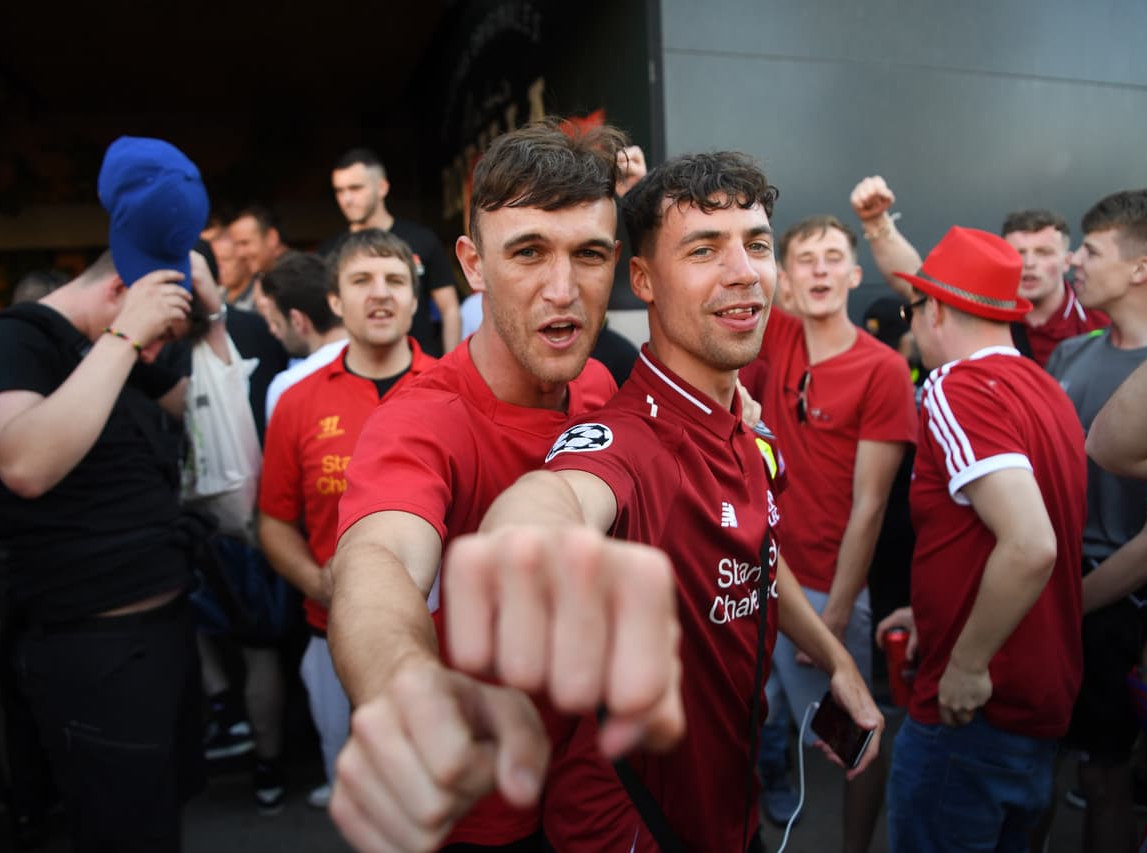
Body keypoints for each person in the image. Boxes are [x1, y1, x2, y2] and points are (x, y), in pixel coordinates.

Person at [446, 150, 883, 852]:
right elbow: (562, 494)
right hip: (632, 828)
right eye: (704, 249)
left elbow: (757, 560)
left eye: (757, 244)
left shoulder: (747, 425)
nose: (742, 271)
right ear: (643, 279)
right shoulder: (626, 442)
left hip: (726, 811)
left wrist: (837, 660)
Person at [324, 120, 680, 853]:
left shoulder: (597, 385)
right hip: (485, 810)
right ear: (473, 264)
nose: (562, 289)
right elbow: (377, 560)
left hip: (599, 786)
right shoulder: (421, 420)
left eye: (586, 255)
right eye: (527, 253)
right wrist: (410, 688)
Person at [0, 136, 208, 852]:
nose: (158, 347)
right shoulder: (14, 340)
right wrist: (127, 337)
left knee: (160, 820)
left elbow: (208, 418)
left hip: (161, 638)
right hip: (89, 651)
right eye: (159, 330)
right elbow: (25, 461)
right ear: (119, 291)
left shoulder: (121, 355)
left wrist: (209, 320)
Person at [874, 226, 1088, 852]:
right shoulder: (1044, 388)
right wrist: (940, 609)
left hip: (974, 708)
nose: (911, 326)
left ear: (935, 309)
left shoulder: (954, 388)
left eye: (913, 309)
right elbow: (994, 538)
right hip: (1037, 701)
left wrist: (966, 664)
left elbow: (1029, 545)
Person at [739, 214, 916, 848]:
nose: (820, 269)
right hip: (760, 575)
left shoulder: (883, 370)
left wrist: (836, 617)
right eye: (805, 259)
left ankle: (852, 846)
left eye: (833, 257)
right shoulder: (776, 336)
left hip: (826, 587)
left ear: (855, 272)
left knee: (856, 743)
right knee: (760, 718)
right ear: (785, 280)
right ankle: (773, 794)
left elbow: (870, 506)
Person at [257, 229, 438, 809]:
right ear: (334, 301)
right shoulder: (297, 400)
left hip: (444, 637)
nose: (379, 295)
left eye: (395, 282)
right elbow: (274, 522)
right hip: (330, 632)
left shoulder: (458, 392)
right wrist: (318, 583)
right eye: (361, 281)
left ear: (415, 298)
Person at [1044, 188, 1147, 853]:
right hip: (1046, 583)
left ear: (1141, 268)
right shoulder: (1071, 356)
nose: (1074, 261)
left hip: (1109, 605)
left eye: (1091, 249)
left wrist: (1061, 603)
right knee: (1029, 768)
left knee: (1103, 779)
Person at [850, 176, 1108, 367]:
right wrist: (876, 223)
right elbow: (917, 282)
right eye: (1018, 253)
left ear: (1067, 261)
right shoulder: (978, 307)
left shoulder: (1101, 319)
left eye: (1043, 252)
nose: (1029, 263)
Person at [320, 147, 462, 355]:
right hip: (356, 371)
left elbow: (449, 309)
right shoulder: (330, 251)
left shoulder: (421, 239)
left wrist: (451, 368)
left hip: (422, 367)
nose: (346, 199)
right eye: (339, 191)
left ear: (382, 188)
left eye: (355, 188)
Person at [254, 251, 349, 422]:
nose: (273, 331)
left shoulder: (288, 387)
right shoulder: (379, 363)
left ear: (298, 321)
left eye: (277, 323)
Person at [228, 204, 290, 310]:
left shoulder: (298, 275)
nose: (239, 254)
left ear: (272, 238)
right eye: (236, 245)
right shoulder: (263, 276)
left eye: (245, 243)